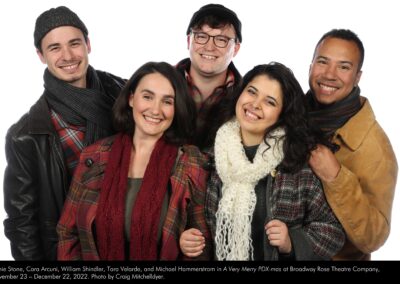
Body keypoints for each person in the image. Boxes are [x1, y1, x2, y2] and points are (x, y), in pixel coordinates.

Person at [180, 62, 345, 260]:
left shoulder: (299, 163)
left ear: (282, 114)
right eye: (251, 92)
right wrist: (186, 240)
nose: (255, 105)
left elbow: (332, 230)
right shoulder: (209, 159)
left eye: (270, 102)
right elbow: (193, 223)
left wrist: (291, 242)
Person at [3, 6, 125, 260]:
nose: (68, 55)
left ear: (88, 44)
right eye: (55, 48)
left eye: (74, 43)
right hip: (73, 253)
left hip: (132, 242)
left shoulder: (124, 94)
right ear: (40, 55)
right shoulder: (25, 135)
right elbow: (22, 222)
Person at [57, 62, 211, 260]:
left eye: (167, 101)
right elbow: (67, 233)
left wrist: (187, 246)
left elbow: (203, 245)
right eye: (147, 97)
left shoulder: (191, 162)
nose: (156, 110)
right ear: (131, 98)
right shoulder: (95, 156)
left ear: (177, 107)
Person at [307, 29, 398, 260]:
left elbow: (374, 238)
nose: (329, 74)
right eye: (323, 62)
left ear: (357, 76)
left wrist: (335, 177)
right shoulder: (288, 114)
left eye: (344, 67)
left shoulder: (376, 148)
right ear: (310, 65)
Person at [176, 3, 242, 150]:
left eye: (221, 40)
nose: (209, 47)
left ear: (236, 49)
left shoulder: (246, 99)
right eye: (201, 36)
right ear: (189, 41)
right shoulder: (157, 83)